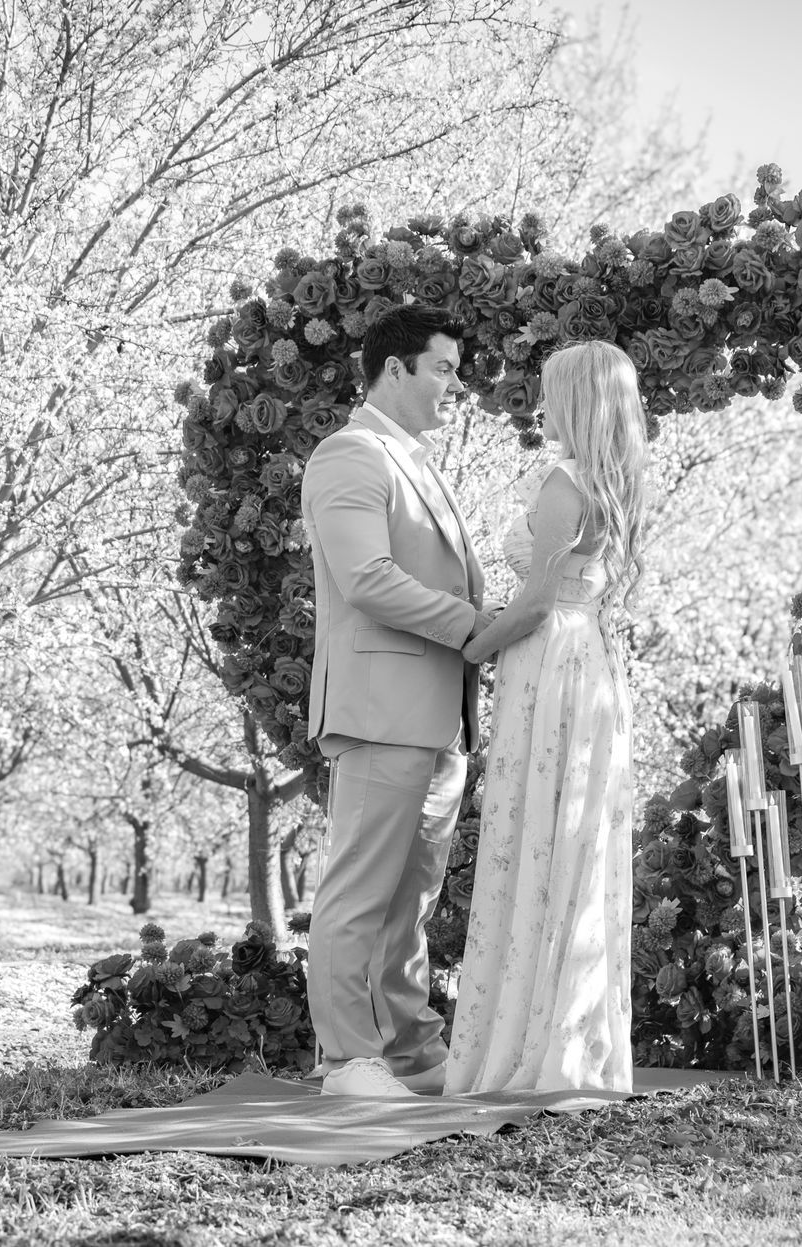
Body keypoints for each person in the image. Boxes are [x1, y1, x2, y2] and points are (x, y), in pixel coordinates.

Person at [299, 305, 495, 1098]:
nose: (456, 384)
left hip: (436, 716)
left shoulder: (414, 460)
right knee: (359, 894)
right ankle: (346, 1060)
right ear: (394, 369)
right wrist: (477, 628)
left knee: (408, 902)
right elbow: (367, 580)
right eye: (443, 367)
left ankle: (413, 1054)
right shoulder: (350, 455)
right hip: (380, 710)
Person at [444, 339, 649, 1095]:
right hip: (581, 653)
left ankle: (539, 1044)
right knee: (565, 834)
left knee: (544, 829)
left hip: (550, 653)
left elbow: (534, 600)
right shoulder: (610, 479)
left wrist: (471, 647)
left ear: (578, 399)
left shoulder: (566, 482)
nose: (541, 400)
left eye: (552, 389)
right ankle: (562, 1031)